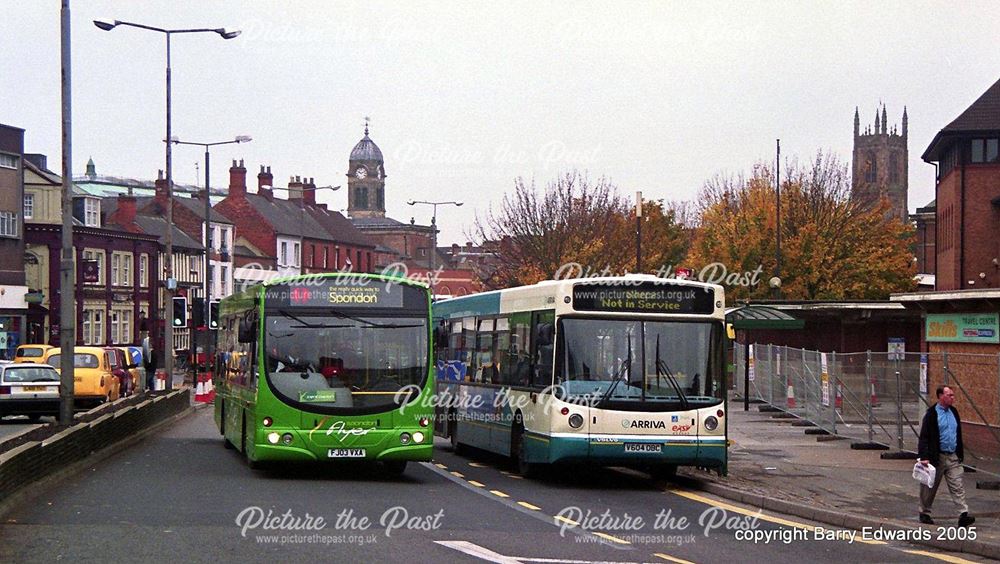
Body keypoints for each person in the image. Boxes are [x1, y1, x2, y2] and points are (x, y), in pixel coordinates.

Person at [917, 385, 975, 527]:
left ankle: (963, 514)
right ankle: (924, 512)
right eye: (950, 395)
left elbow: (957, 433)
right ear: (941, 396)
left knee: (957, 485)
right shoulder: (931, 414)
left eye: (953, 395)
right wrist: (924, 456)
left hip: (953, 456)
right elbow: (924, 437)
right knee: (929, 486)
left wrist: (959, 453)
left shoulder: (954, 412)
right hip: (937, 457)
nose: (952, 398)